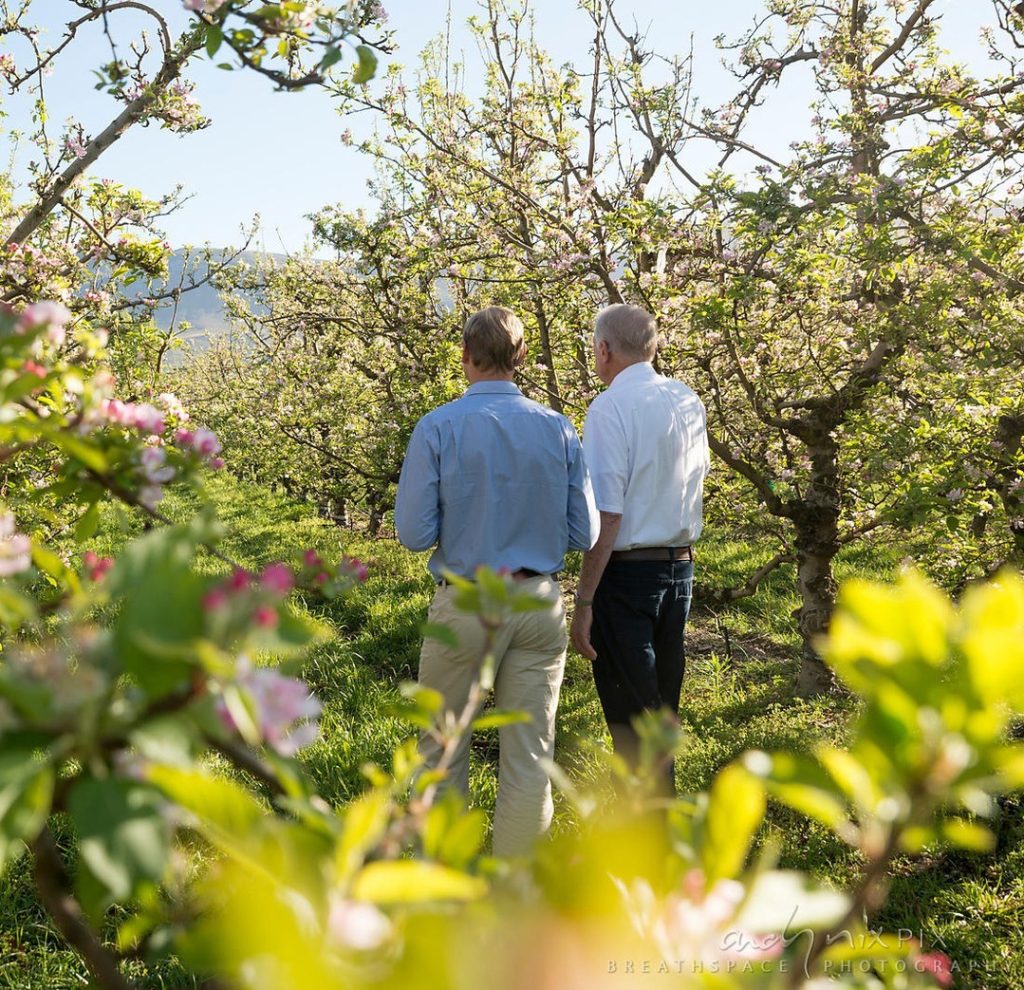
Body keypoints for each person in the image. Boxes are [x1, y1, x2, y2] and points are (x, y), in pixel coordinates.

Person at [395, 305, 599, 856]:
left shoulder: (437, 426)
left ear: (465, 355)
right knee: (531, 752)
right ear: (523, 357)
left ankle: (443, 877)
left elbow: (414, 534)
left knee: (442, 747)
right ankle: (516, 883)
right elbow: (584, 530)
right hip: (537, 603)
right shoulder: (558, 428)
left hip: (466, 602)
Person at [569, 304, 709, 792]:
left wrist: (584, 600)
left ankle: (651, 842)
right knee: (659, 715)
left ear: (604, 350)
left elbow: (607, 513)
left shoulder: (609, 407)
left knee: (634, 727)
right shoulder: (687, 398)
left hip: (628, 577)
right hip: (680, 571)